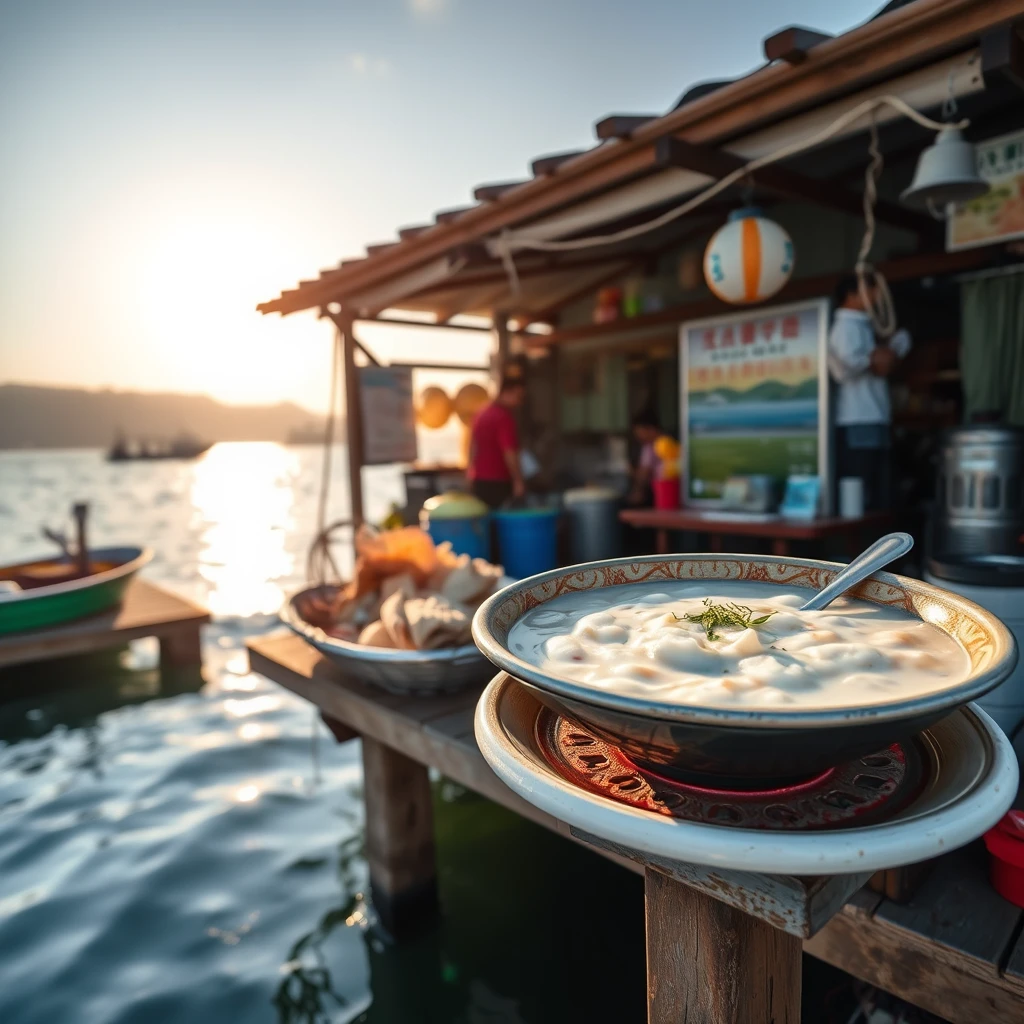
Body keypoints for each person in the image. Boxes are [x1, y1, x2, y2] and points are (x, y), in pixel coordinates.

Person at [827, 274, 911, 512]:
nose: (876, 297)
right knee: (860, 489)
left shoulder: (865, 325)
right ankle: (860, 543)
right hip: (857, 417)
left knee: (878, 486)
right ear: (852, 296)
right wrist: (878, 357)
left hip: (873, 416)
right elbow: (846, 367)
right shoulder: (845, 327)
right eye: (871, 291)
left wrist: (886, 351)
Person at [467, 376, 526, 508]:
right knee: (501, 522)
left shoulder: (481, 413)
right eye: (518, 397)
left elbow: (472, 447)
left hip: (479, 480)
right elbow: (509, 451)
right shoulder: (503, 417)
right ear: (506, 392)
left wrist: (470, 472)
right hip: (498, 481)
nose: (519, 402)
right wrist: (518, 480)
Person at [628, 410, 662, 506]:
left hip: (658, 495)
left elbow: (643, 475)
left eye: (640, 433)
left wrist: (631, 472)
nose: (639, 437)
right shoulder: (668, 442)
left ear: (651, 429)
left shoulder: (650, 447)